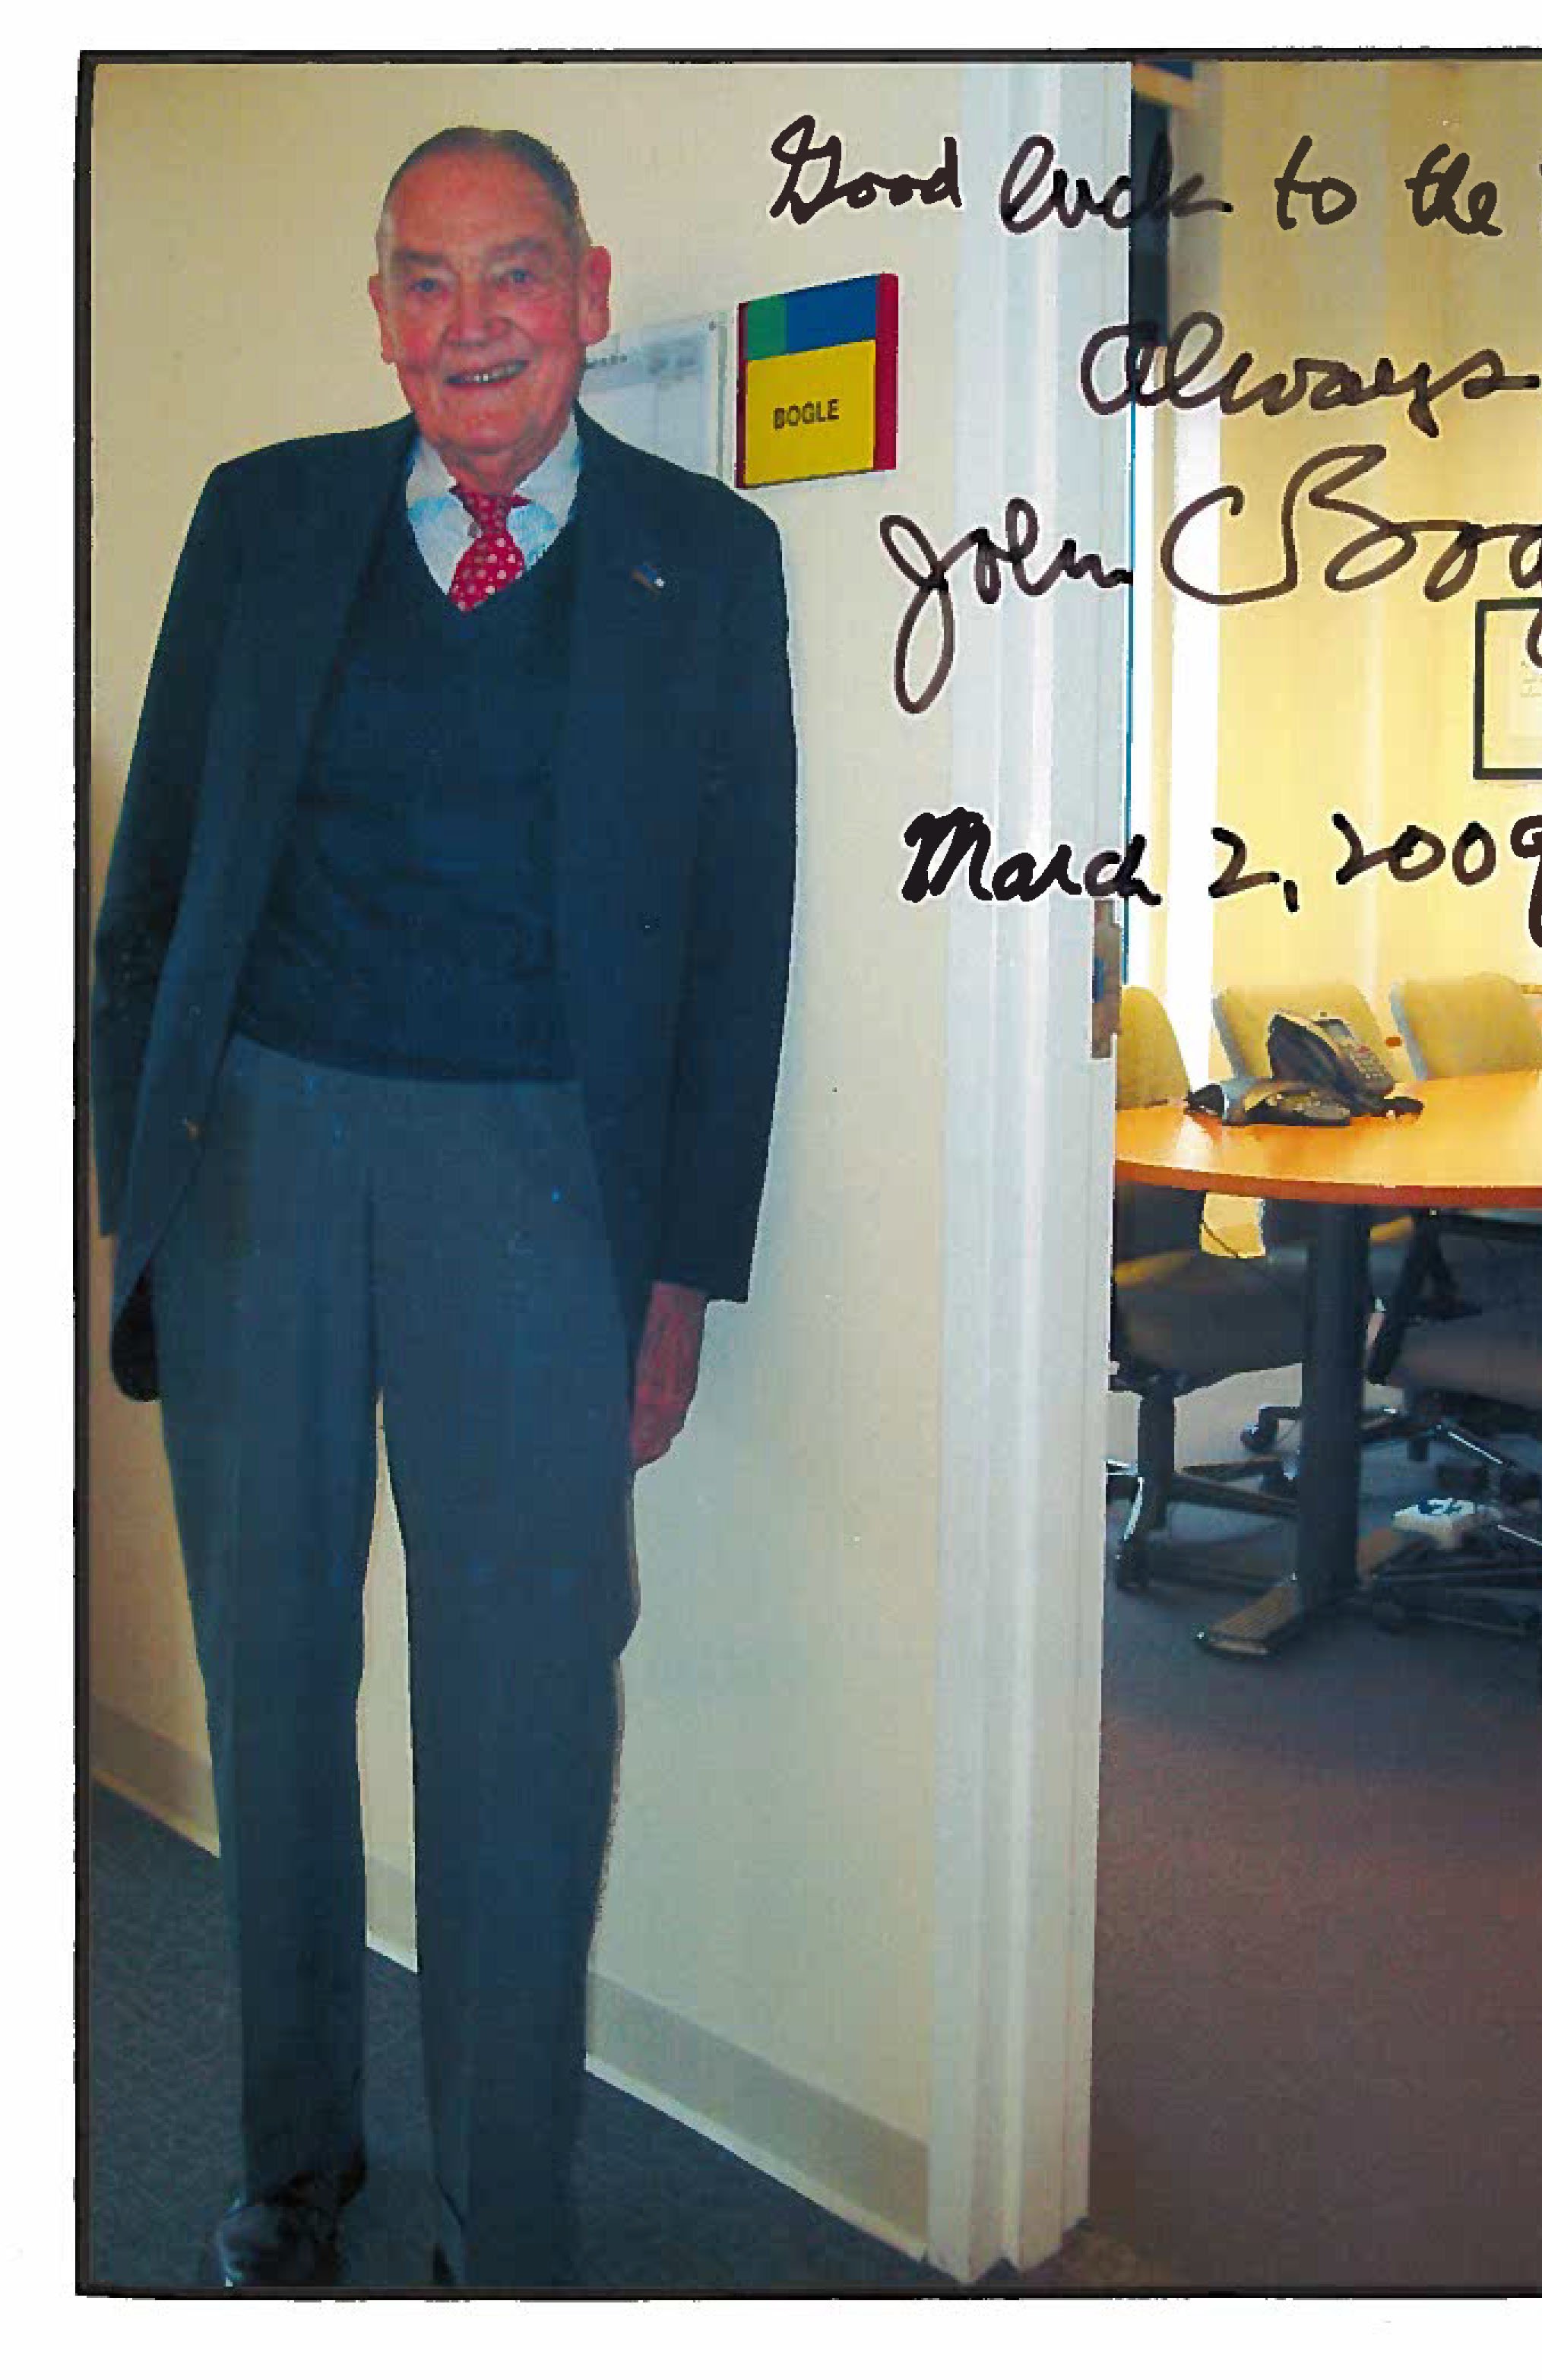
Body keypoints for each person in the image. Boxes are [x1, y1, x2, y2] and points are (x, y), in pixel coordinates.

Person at [90, 125, 797, 2291]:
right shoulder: (262, 515)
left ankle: (508, 2230)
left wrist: (676, 1273)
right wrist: (142, 1189)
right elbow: (159, 881)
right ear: (380, 306)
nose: (466, 317)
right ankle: (289, 2169)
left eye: (510, 274)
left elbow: (735, 944)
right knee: (274, 1691)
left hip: (539, 1190)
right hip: (265, 1175)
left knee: (521, 1722)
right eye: (422, 278)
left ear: (587, 293)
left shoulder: (709, 555)